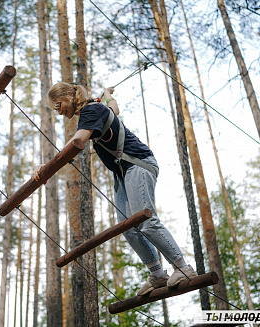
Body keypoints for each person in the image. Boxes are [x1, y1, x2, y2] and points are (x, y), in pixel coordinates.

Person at [33, 82, 197, 296]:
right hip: (124, 172)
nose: (61, 112)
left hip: (137, 164)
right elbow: (114, 111)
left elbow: (78, 141)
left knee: (145, 221)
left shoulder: (90, 110)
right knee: (127, 227)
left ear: (69, 94)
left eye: (59, 105)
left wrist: (46, 168)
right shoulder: (97, 109)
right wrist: (109, 94)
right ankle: (157, 275)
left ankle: (183, 268)